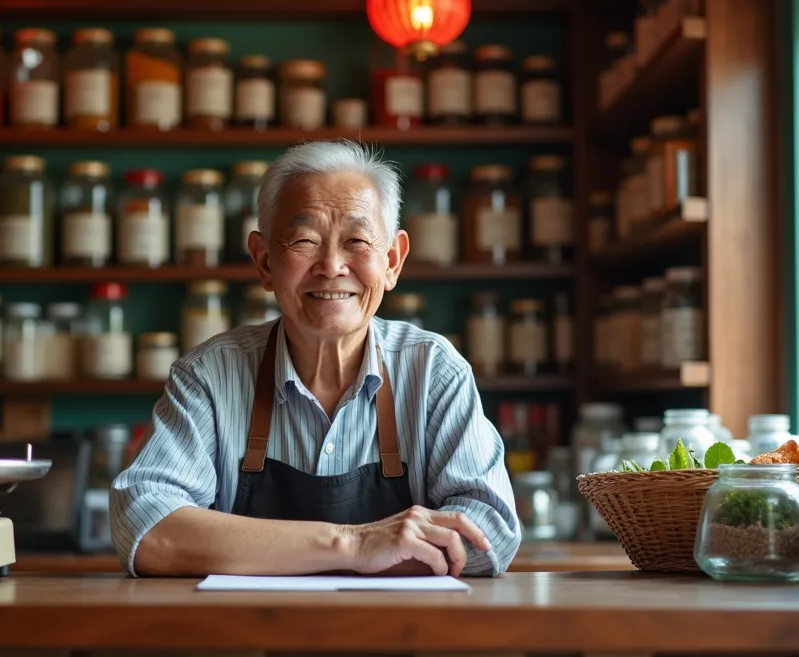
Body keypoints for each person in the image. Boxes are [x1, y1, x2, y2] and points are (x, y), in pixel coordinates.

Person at [112, 140, 520, 578]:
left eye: (356, 240)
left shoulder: (433, 371)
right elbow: (147, 529)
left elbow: (489, 533)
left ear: (392, 261)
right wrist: (353, 545)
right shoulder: (209, 376)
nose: (331, 266)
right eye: (305, 241)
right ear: (264, 262)